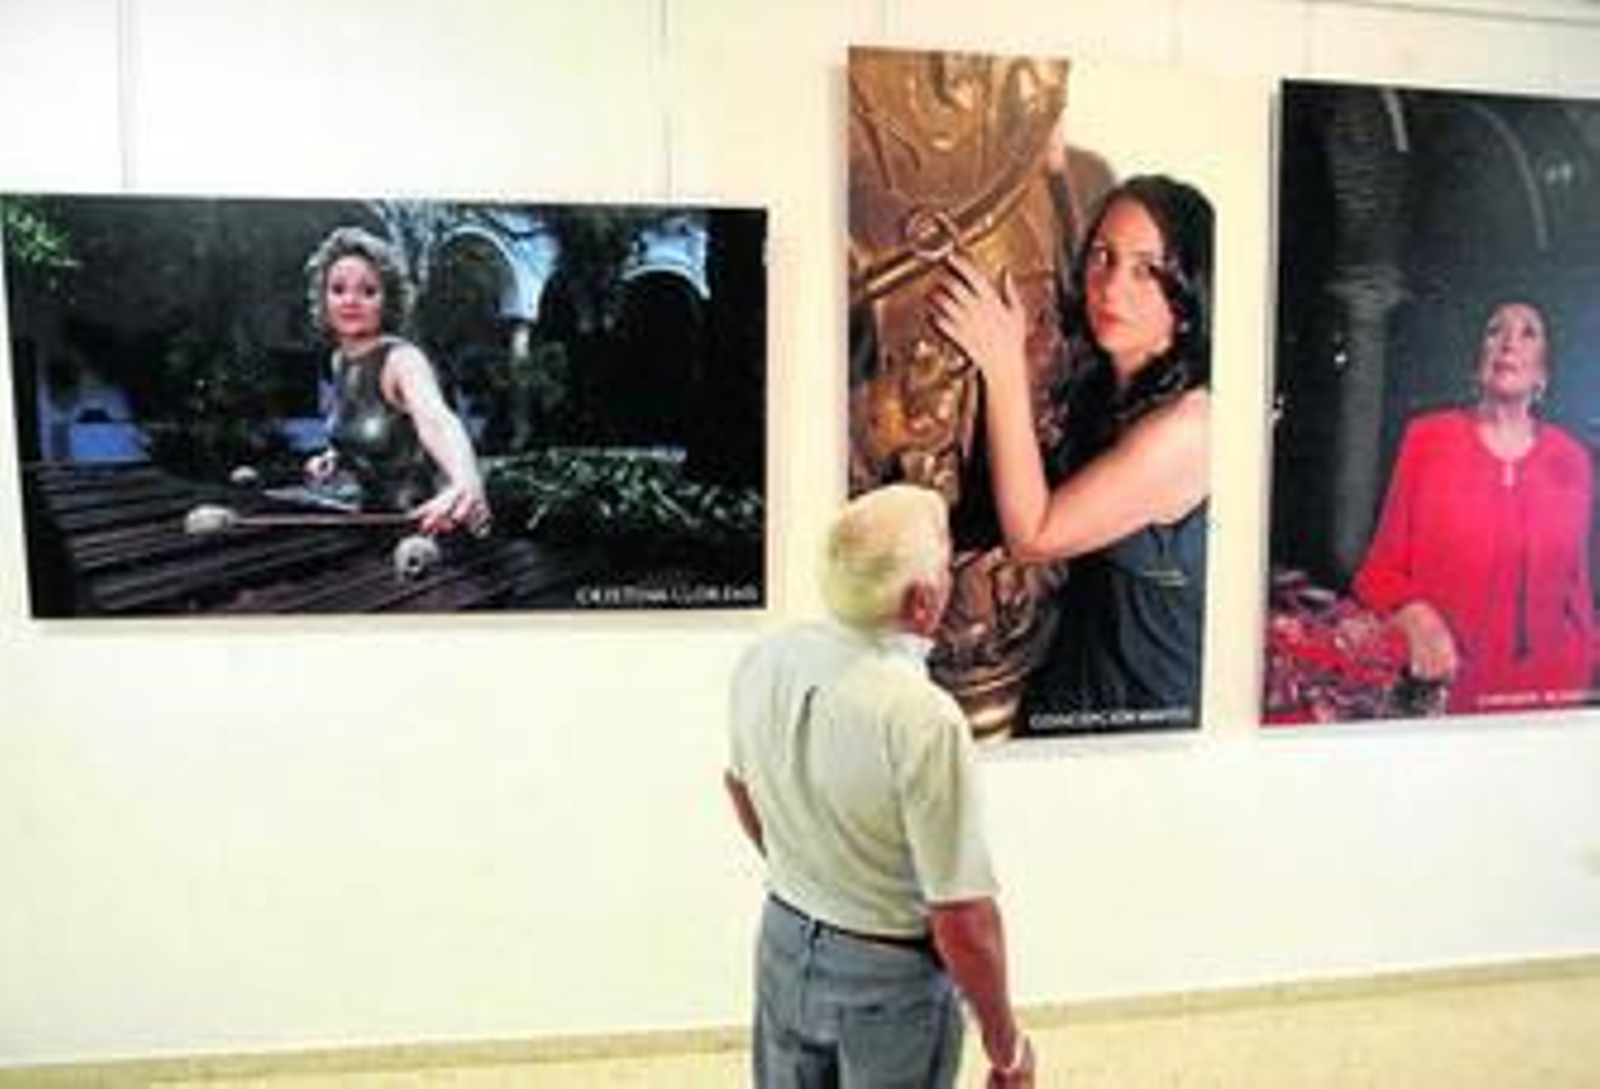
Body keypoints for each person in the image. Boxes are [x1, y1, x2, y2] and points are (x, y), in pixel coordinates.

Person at [725, 484, 1034, 1088]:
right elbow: (962, 916)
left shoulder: (767, 657)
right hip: (887, 979)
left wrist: (812, 870)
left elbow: (739, 788)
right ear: (922, 600)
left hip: (783, 942)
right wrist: (1007, 1050)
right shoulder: (921, 715)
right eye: (946, 565)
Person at [929, 174, 1214, 734]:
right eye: (1102, 257)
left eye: (1146, 271)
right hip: (1077, 679)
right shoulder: (1110, 378)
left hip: (1145, 718)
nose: (1110, 289)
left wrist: (1002, 366)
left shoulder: (1188, 428)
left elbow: (1033, 535)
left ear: (1186, 294)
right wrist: (1052, 172)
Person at [1353, 300, 1594, 715]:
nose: (1507, 343)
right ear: (1477, 362)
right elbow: (1379, 568)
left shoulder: (1571, 459)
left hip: (1545, 696)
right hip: (1440, 691)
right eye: (1494, 330)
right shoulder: (1427, 440)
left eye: (1527, 333)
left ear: (1543, 375)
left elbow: (1578, 596)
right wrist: (1415, 613)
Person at [302, 225, 489, 536]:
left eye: (368, 291)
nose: (351, 300)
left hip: (426, 527)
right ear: (323, 300)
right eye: (338, 289)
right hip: (370, 524)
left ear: (387, 301)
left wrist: (467, 481)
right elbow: (371, 429)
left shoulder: (403, 360)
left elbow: (436, 420)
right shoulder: (339, 360)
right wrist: (333, 457)